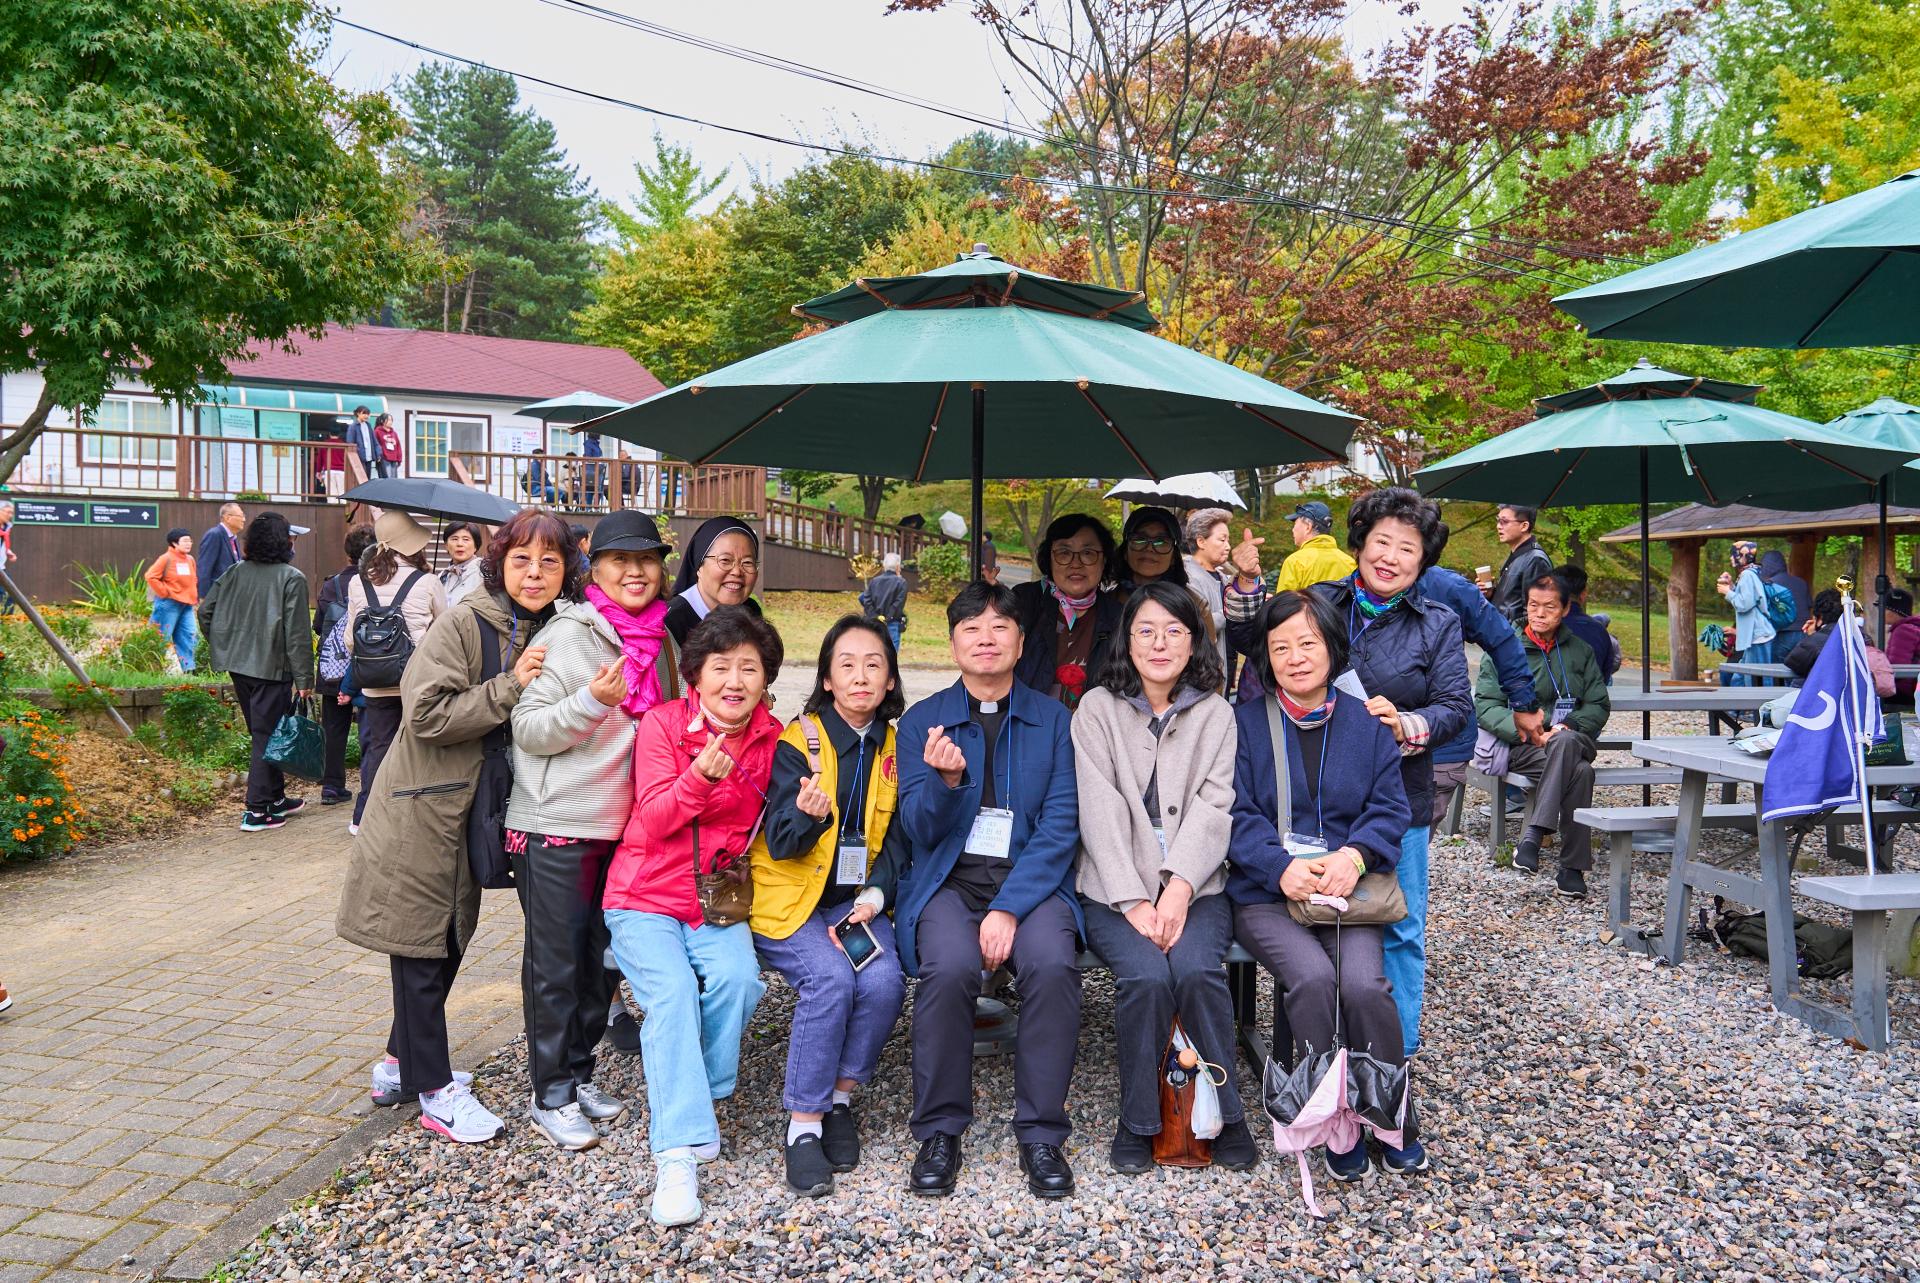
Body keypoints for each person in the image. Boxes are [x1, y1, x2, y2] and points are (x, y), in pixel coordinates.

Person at [336, 509, 574, 1139]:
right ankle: (435, 1091)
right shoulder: (466, 622)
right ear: (500, 564)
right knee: (422, 944)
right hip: (421, 808)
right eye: (522, 560)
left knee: (447, 939)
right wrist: (508, 686)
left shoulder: (549, 625)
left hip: (468, 807)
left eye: (550, 562)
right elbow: (426, 715)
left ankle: (398, 1064)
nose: (535, 573)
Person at [1228, 487, 1469, 1058]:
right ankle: (1324, 1064)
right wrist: (1246, 587)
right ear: (1360, 543)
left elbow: (1457, 707)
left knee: (1394, 924)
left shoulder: (1436, 622)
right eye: (1382, 541)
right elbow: (1262, 644)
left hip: (1392, 786)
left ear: (1424, 559)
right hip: (1297, 790)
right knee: (1310, 949)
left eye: (1407, 548)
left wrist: (1405, 724)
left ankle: (1390, 1059)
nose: (1391, 557)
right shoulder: (1322, 602)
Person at [871, 581, 1081, 1200]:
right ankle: (939, 1129)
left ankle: (1041, 1132)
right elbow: (918, 830)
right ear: (953, 642)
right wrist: (944, 782)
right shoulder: (923, 721)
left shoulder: (1054, 720)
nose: (985, 639)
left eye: (999, 627)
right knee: (949, 968)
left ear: (1021, 640)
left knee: (1052, 965)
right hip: (949, 881)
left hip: (1032, 884)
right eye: (971, 628)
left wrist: (1010, 908)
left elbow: (1061, 826)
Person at [1226, 588, 1421, 1180]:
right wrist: (1277, 866)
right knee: (1311, 979)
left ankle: (1388, 1109)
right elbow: (1232, 811)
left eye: (1307, 643)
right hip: (1266, 894)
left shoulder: (1366, 724)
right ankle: (1331, 1115)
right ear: (1265, 657)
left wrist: (1355, 856)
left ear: (1333, 647)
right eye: (1280, 646)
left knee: (1364, 986)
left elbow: (1390, 808)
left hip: (1344, 893)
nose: (1296, 657)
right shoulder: (1243, 725)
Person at [604, 606, 780, 1228]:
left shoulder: (774, 738)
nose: (734, 681)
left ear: (765, 679)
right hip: (643, 892)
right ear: (695, 676)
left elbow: (779, 825)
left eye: (749, 668)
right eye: (720, 667)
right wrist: (699, 778)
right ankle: (676, 1153)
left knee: (739, 981)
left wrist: (809, 812)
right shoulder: (662, 724)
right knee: (673, 995)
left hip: (715, 898)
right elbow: (653, 819)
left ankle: (698, 1087)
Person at [507, 510, 677, 1151]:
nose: (635, 572)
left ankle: (577, 1076)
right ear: (595, 570)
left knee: (602, 963)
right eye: (619, 561)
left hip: (627, 829)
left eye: (646, 560)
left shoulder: (663, 640)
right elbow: (528, 728)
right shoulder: (571, 634)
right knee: (556, 966)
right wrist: (590, 703)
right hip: (560, 824)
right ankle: (549, 1094)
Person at [1073, 581, 1257, 1173]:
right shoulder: (1097, 708)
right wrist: (1133, 900)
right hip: (1113, 886)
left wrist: (1177, 888)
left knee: (1199, 971)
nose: (1159, 643)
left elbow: (1215, 803)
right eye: (1146, 631)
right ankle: (1139, 1121)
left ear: (1194, 641)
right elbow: (1097, 808)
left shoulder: (1216, 712)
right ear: (1127, 641)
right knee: (1148, 977)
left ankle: (1230, 1115)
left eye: (1174, 631)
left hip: (1196, 884)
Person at [750, 617, 910, 1197]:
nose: (860, 676)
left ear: (890, 680)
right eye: (846, 664)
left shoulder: (897, 746)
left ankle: (840, 1099)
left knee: (885, 981)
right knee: (831, 981)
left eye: (873, 664)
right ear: (826, 678)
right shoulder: (800, 742)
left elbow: (899, 841)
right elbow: (782, 842)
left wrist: (874, 896)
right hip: (793, 901)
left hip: (854, 903)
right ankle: (804, 1125)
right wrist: (808, 815)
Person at [1477, 574, 1611, 898]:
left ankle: (1533, 836)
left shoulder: (1580, 651)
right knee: (1581, 772)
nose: (1539, 613)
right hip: (1524, 746)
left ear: (1565, 609)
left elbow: (1598, 704)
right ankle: (1572, 869)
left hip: (1572, 737)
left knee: (1564, 742)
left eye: (1549, 607)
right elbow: (1487, 705)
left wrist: (1568, 725)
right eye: (1533, 605)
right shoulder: (1505, 651)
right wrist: (1529, 730)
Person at [198, 512, 313, 832]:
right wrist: (305, 679)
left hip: (239, 667)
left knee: (264, 733)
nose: (293, 542)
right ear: (283, 542)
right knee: (266, 736)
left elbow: (206, 612)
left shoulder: (235, 571)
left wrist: (224, 645)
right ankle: (257, 810)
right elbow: (298, 635)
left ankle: (275, 798)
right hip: (272, 670)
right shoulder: (291, 578)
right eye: (290, 537)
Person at [345, 511, 450, 833]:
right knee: (418, 749)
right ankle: (412, 818)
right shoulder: (428, 581)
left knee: (379, 748)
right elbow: (443, 632)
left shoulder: (358, 581)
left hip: (374, 683)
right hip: (416, 681)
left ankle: (367, 817)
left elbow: (350, 638)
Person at [1419, 558, 1543, 826]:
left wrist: (1524, 704)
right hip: (1372, 738)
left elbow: (1502, 640)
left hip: (1440, 741)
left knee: (1413, 834)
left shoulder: (1450, 588)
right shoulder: (1345, 592)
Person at [1011, 513, 1124, 712]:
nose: (1076, 563)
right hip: (1027, 723)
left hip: (1092, 728)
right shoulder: (1024, 602)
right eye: (1064, 552)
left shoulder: (1119, 617)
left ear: (1104, 560)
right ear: (1049, 558)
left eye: (1088, 553)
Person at [315, 525, 377, 806]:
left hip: (334, 665)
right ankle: (371, 784)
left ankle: (331, 786)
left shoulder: (333, 584)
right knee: (372, 726)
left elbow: (319, 626)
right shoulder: (378, 583)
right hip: (371, 662)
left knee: (334, 727)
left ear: (347, 552)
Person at [665, 517, 763, 646]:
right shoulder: (670, 622)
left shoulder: (751, 611)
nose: (737, 572)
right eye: (725, 560)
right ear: (699, 566)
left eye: (747, 562)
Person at [1784, 588, 1896, 695]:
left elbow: (1793, 663)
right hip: (1859, 698)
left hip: (1825, 699)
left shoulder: (1816, 641)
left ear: (1819, 617)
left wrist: (1812, 635)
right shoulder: (1863, 637)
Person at [1184, 507, 1235, 693]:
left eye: (1228, 540)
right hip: (1201, 675)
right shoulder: (1188, 578)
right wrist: (1233, 609)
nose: (1228, 546)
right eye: (1222, 539)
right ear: (1201, 541)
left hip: (1225, 665)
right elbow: (1199, 624)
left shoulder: (1223, 577)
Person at [1717, 540, 1777, 684]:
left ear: (1742, 556)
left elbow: (1745, 604)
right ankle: (1735, 700)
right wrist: (1731, 585)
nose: (1731, 558)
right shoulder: (1753, 571)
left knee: (1758, 679)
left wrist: (1727, 592)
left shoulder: (1747, 575)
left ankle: (1763, 700)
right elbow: (1748, 597)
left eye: (1733, 554)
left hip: (1757, 635)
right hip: (1752, 636)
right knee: (1739, 678)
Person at [1486, 504, 1554, 624]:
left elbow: (1536, 611)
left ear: (1524, 526)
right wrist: (1491, 593)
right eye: (1498, 520)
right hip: (1503, 631)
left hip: (1516, 634)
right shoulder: (1516, 556)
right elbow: (1510, 602)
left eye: (1504, 522)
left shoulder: (1536, 560)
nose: (1498, 526)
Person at [1555, 563, 1623, 683]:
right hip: (1593, 692)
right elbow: (1606, 673)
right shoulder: (1599, 631)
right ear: (1583, 594)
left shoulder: (1545, 629)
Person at [144, 528, 200, 672]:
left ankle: (190, 670)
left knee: (189, 636)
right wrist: (165, 592)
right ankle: (151, 670)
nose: (189, 544)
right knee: (160, 638)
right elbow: (151, 576)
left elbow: (193, 579)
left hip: (187, 605)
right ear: (174, 543)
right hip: (168, 604)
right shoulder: (166, 558)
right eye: (185, 541)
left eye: (190, 541)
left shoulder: (190, 559)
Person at [1274, 501, 1355, 593]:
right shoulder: (1350, 563)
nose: (1293, 530)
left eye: (1295, 524)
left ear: (1308, 527)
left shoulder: (1295, 562)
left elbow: (1284, 601)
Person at [1116, 506, 1189, 595]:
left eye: (1161, 542)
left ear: (1173, 556)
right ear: (1125, 552)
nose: (1149, 548)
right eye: (1140, 539)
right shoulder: (1106, 600)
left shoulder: (1192, 602)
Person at [1759, 549, 1811, 663]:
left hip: (1782, 634)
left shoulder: (1768, 585)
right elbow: (1808, 606)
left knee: (1778, 670)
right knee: (1800, 669)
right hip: (1803, 633)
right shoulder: (1801, 582)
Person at [859, 553, 909, 651]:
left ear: (884, 566)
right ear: (898, 567)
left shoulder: (874, 581)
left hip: (874, 624)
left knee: (873, 653)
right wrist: (887, 618)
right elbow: (898, 604)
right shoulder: (901, 583)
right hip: (892, 624)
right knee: (890, 655)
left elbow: (866, 600)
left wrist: (875, 616)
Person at [196, 501, 246, 596]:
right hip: (217, 594)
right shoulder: (214, 534)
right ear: (228, 518)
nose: (244, 519)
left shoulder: (233, 538)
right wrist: (203, 597)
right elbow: (204, 568)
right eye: (241, 516)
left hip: (230, 594)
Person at [1885, 589, 1920, 698]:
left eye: (1885, 609)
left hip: (1906, 690)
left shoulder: (1903, 630)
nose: (1882, 613)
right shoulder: (1911, 627)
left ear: (1894, 611)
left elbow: (1897, 665)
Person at [440, 523, 485, 604]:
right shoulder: (442, 576)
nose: (459, 544)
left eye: (466, 539)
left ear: (475, 546)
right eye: (454, 539)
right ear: (446, 546)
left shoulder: (484, 574)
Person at [344, 406, 378, 479]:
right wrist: (357, 452)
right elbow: (350, 442)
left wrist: (378, 453)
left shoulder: (368, 425)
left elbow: (374, 441)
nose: (366, 416)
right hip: (359, 457)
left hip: (369, 456)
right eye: (364, 413)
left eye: (368, 414)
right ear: (358, 413)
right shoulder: (353, 426)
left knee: (367, 478)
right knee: (361, 478)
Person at [372, 412, 403, 479]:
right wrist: (377, 456)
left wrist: (399, 459)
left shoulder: (394, 433)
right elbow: (375, 445)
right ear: (382, 421)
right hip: (383, 458)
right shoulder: (377, 431)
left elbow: (398, 446)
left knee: (394, 479)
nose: (390, 422)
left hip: (394, 459)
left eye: (391, 420)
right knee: (386, 478)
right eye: (388, 420)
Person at [0, 500, 15, 615]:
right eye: (7, 512)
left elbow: (3, 545)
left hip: (1, 567)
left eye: (12, 513)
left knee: (10, 593)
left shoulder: (6, 528)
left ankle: (6, 621)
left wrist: (9, 552)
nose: (10, 515)